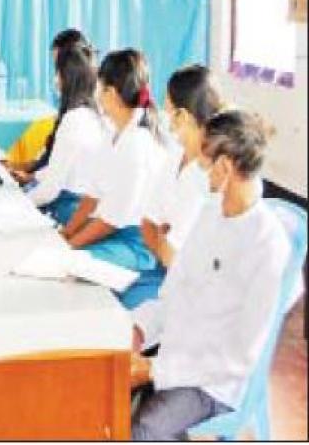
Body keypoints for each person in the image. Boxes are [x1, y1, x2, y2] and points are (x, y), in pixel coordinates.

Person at [129, 110, 289, 440]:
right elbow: (174, 292)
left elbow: (240, 358)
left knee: (143, 430)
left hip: (213, 382)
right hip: (177, 352)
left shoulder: (268, 245)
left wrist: (155, 370)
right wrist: (139, 328)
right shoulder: (209, 214)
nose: (200, 167)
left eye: (205, 160)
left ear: (225, 167)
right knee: (98, 378)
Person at [60, 49, 167, 289]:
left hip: (139, 246)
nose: (96, 95)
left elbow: (111, 220)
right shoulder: (113, 133)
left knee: (69, 264)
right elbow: (93, 196)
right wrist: (66, 234)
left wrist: (68, 246)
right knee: (64, 254)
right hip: (116, 233)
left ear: (110, 92)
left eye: (100, 87)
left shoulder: (138, 142)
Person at [121, 65, 224, 309]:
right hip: (164, 271)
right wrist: (164, 238)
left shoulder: (208, 172)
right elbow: (147, 223)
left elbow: (172, 256)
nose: (164, 112)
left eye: (168, 105)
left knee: (128, 312)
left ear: (183, 116)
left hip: (192, 287)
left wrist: (164, 237)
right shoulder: (176, 153)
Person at [23, 44, 108, 224]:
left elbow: (50, 191)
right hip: (85, 206)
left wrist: (16, 204)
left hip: (67, 208)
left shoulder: (73, 119)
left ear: (68, 78)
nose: (55, 80)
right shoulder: (96, 114)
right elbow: (63, 169)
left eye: (58, 73)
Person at [8, 28, 95, 182]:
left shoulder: (81, 113)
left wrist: (29, 177)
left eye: (60, 69)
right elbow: (49, 158)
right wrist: (14, 167)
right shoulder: (72, 105)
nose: (56, 78)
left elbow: (58, 175)